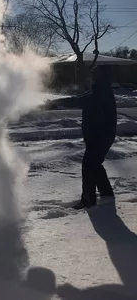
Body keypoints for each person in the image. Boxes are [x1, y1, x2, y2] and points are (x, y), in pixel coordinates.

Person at [47, 65, 117, 209]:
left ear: (100, 76)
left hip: (100, 136)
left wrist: (57, 103)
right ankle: (106, 192)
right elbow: (81, 98)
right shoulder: (99, 90)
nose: (91, 76)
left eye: (94, 74)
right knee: (94, 164)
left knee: (89, 165)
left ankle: (88, 200)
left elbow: (80, 100)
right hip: (98, 136)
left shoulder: (101, 92)